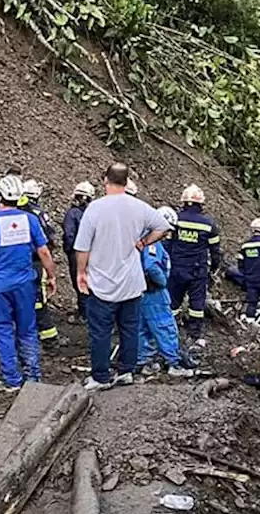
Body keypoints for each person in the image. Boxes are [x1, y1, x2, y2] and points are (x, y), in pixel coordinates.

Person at [73, 163, 172, 391]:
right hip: (131, 283)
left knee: (100, 332)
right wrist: (144, 243)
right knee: (129, 329)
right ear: (127, 182)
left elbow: (83, 247)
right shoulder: (139, 207)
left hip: (102, 283)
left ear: (105, 180)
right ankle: (126, 371)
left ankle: (101, 376)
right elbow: (163, 227)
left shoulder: (95, 208)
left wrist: (81, 272)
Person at [0, 175, 56, 392]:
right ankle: (33, 376)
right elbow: (44, 251)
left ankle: (12, 380)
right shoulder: (30, 220)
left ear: (0, 197)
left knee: (3, 330)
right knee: (27, 329)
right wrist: (51, 276)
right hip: (24, 284)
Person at [138, 206, 196, 377]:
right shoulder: (153, 243)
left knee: (143, 329)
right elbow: (151, 266)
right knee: (164, 326)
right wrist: (162, 281)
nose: (168, 234)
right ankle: (174, 363)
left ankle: (144, 362)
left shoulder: (142, 238)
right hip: (154, 293)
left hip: (141, 293)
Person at [165, 184, 221, 348]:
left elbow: (167, 244)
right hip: (198, 270)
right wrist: (213, 269)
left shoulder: (175, 220)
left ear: (183, 201)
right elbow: (215, 251)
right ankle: (194, 334)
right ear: (201, 204)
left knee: (173, 301)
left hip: (176, 268)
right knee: (197, 303)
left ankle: (171, 330)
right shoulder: (209, 224)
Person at [20, 179, 67, 347]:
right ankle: (48, 336)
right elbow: (48, 238)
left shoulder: (7, 213)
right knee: (39, 298)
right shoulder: (36, 213)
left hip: (16, 264)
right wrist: (50, 267)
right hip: (35, 261)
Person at [62, 181, 95, 323]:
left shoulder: (72, 214)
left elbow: (69, 235)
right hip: (93, 253)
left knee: (79, 282)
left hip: (77, 253)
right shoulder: (94, 213)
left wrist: (69, 250)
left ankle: (84, 314)